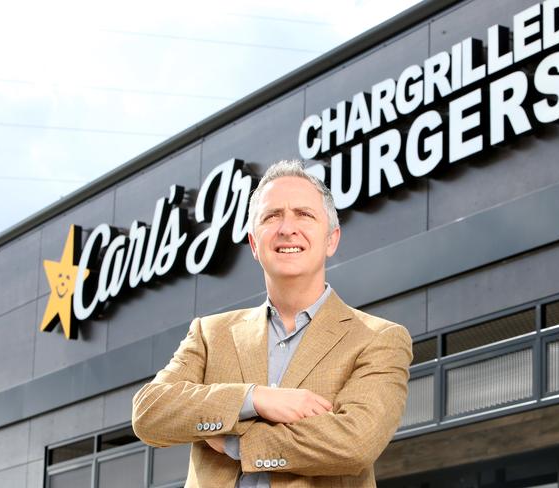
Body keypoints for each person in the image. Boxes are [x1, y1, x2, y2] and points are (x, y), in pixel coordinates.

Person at [132, 160, 413, 488]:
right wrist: (253, 399)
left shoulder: (378, 339)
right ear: (254, 243)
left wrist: (236, 443)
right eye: (272, 215)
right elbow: (150, 412)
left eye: (304, 214)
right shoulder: (211, 334)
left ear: (331, 239)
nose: (287, 228)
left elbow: (354, 444)